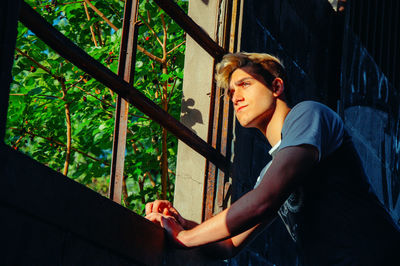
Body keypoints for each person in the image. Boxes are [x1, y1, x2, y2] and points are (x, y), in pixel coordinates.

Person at [145, 52, 400, 265]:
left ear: (276, 87)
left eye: (245, 84)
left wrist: (184, 238)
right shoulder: (270, 174)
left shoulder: (309, 114)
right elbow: (228, 244)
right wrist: (181, 225)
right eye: (231, 92)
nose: (235, 97)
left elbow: (262, 202)